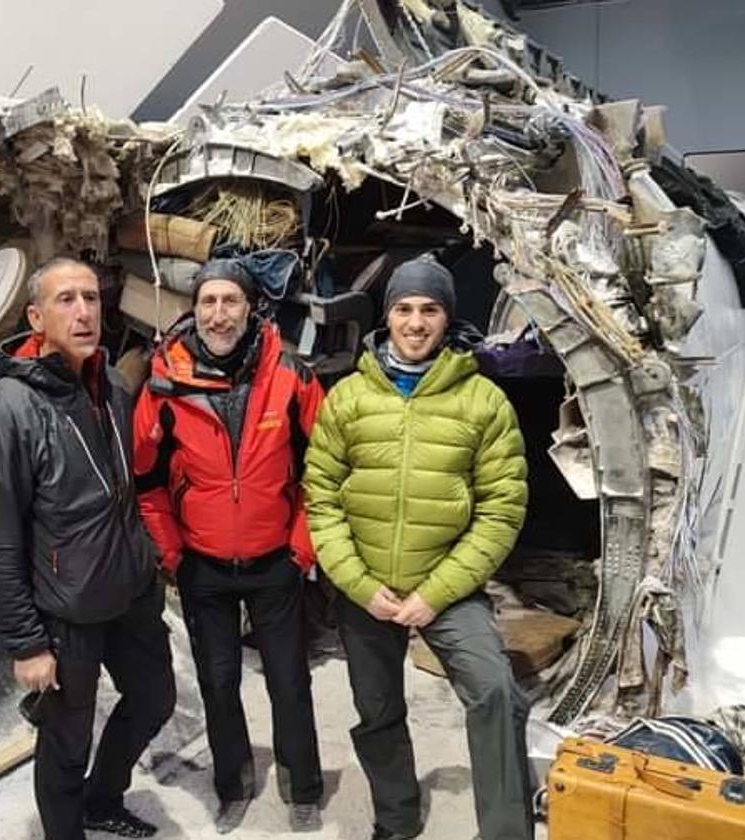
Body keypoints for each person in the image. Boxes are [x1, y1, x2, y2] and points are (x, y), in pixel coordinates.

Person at [303, 256, 533, 840]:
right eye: (403, 309)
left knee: (496, 691)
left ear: (447, 318)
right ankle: (396, 819)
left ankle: (506, 830)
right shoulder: (349, 398)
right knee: (377, 710)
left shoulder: (483, 403)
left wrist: (437, 593)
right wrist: (356, 584)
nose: (415, 322)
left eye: (429, 309)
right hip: (367, 585)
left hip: (447, 587)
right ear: (387, 318)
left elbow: (500, 511)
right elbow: (321, 498)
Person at [0, 258, 175, 840]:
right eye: (66, 300)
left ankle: (102, 800)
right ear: (36, 317)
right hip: (66, 611)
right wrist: (26, 643)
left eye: (91, 297)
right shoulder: (9, 407)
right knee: (64, 746)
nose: (84, 311)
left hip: (129, 593)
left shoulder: (109, 383)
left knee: (155, 699)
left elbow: (122, 489)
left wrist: (147, 558)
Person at [132, 259, 325, 834]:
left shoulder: (291, 373)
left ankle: (303, 787)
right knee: (218, 682)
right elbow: (145, 481)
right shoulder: (165, 382)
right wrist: (172, 552)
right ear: (194, 310)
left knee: (290, 680)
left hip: (276, 561)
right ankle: (232, 784)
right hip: (202, 566)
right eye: (208, 302)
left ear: (250, 309)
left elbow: (327, 470)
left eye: (230, 302)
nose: (219, 314)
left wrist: (301, 548)